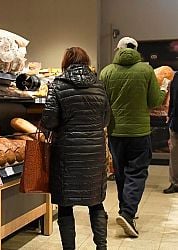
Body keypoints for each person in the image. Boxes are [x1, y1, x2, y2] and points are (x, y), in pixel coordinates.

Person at [41, 47, 110, 250]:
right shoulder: (99, 86)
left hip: (67, 154)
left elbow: (50, 120)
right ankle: (102, 247)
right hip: (94, 154)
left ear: (66, 62)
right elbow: (106, 119)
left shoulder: (58, 85)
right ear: (86, 62)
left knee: (65, 205)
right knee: (96, 203)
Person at [100, 37, 168, 237]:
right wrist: (163, 88)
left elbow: (103, 103)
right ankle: (128, 214)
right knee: (136, 173)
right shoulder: (146, 70)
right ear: (136, 50)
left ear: (117, 49)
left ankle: (124, 209)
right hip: (139, 132)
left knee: (121, 172)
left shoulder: (106, 72)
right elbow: (154, 101)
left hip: (115, 132)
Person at [165, 72, 178, 193]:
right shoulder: (176, 77)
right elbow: (173, 100)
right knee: (174, 154)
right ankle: (175, 183)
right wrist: (169, 115)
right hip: (175, 122)